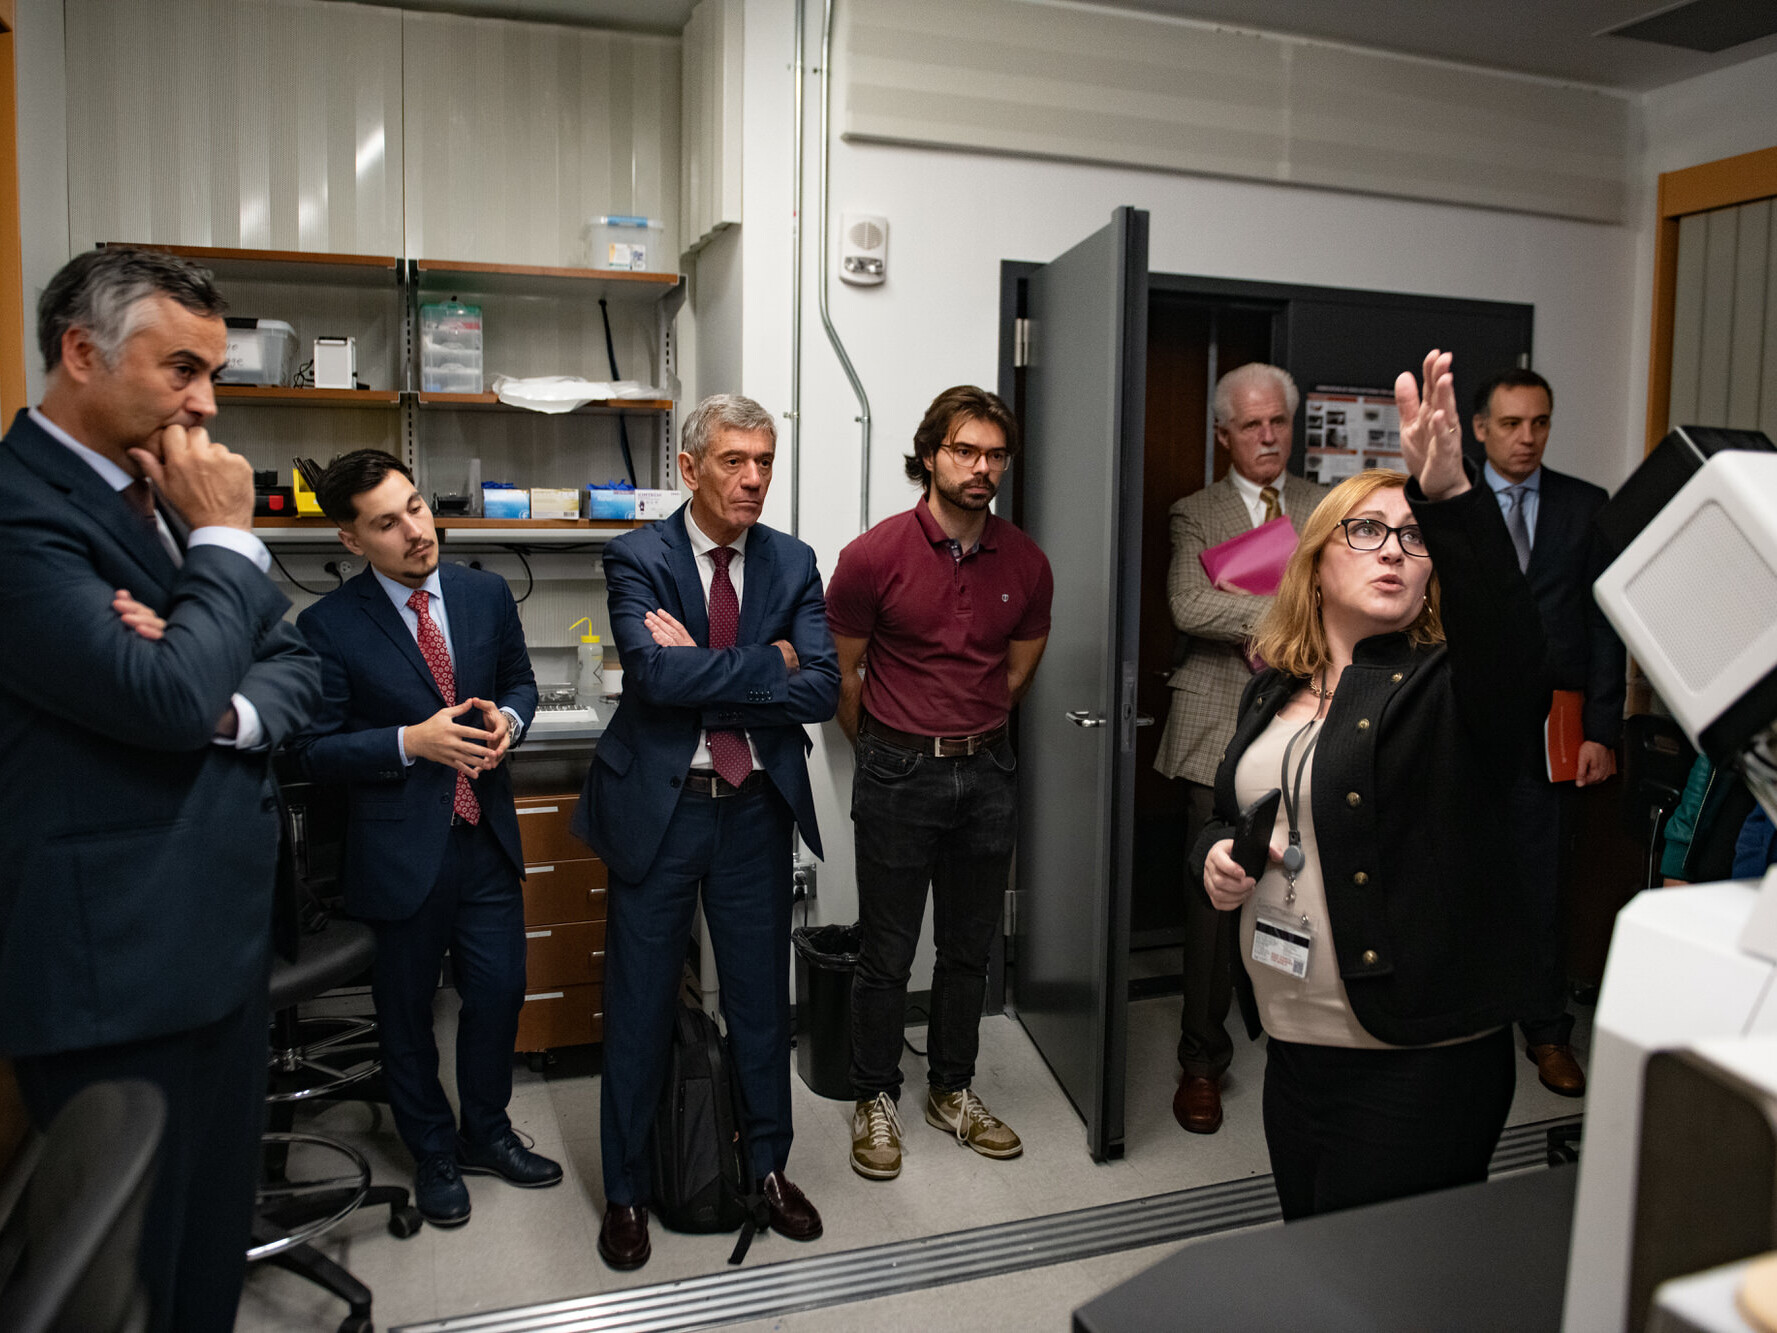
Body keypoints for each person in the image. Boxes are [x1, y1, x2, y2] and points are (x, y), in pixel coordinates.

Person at [0, 246, 321, 1331]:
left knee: (203, 1262)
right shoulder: (21, 512)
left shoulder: (163, 498)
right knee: (123, 1282)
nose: (207, 404)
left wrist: (217, 693)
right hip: (114, 971)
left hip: (218, 953)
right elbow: (163, 696)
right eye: (182, 369)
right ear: (82, 352)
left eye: (213, 374)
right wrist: (225, 544)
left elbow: (292, 661)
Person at [1195, 350, 1550, 1221]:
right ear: (1314, 561)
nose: (1393, 547)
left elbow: (1512, 655)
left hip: (1418, 1055)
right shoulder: (1272, 690)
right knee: (1311, 1246)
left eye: (1413, 536)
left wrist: (1450, 495)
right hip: (1295, 1041)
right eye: (1364, 530)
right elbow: (1236, 810)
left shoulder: (1450, 691)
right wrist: (1216, 854)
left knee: (1385, 1278)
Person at [573, 394, 839, 1270]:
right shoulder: (637, 556)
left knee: (760, 1003)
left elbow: (822, 688)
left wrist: (705, 665)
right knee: (641, 1005)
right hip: (662, 808)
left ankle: (766, 1168)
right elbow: (652, 678)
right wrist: (767, 662)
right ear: (689, 468)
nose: (754, 478)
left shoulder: (792, 561)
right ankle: (625, 1191)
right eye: (734, 460)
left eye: (764, 460)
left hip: (754, 808)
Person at [291, 449, 558, 1227]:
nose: (415, 530)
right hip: (400, 850)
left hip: (484, 837)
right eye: (387, 522)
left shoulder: (484, 593)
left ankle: (488, 1132)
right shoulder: (327, 626)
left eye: (414, 506)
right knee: (405, 1010)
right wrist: (409, 741)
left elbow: (519, 682)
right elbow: (307, 751)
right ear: (351, 540)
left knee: (499, 992)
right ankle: (433, 1150)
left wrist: (510, 721)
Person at [826, 385, 1054, 1181]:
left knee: (967, 950)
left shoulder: (1025, 561)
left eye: (995, 454)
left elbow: (1015, 674)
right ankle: (874, 1094)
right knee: (886, 951)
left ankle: (951, 1089)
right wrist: (889, 747)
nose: (981, 467)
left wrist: (964, 734)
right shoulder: (872, 556)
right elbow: (844, 673)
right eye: (964, 450)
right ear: (929, 455)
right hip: (897, 772)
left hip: (986, 771)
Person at [1153, 362, 1328, 1134]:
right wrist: (1295, 605)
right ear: (1222, 433)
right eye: (1251, 424)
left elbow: (1347, 598)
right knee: (1213, 907)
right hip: (1215, 731)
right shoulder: (1195, 512)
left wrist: (1253, 601)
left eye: (1277, 421)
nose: (1266, 436)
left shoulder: (1326, 506)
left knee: (1305, 891)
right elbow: (1188, 605)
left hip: (1310, 730)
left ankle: (1307, 1043)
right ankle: (1201, 1060)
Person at [1472, 368, 1626, 1097]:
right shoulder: (1445, 501)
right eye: (1510, 423)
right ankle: (1463, 1019)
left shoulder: (1584, 506)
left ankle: (1544, 1029)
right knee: (1456, 869)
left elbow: (1604, 625)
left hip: (1552, 726)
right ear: (1480, 429)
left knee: (1541, 881)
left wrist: (1602, 729)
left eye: (1539, 423)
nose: (1526, 437)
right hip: (1461, 719)